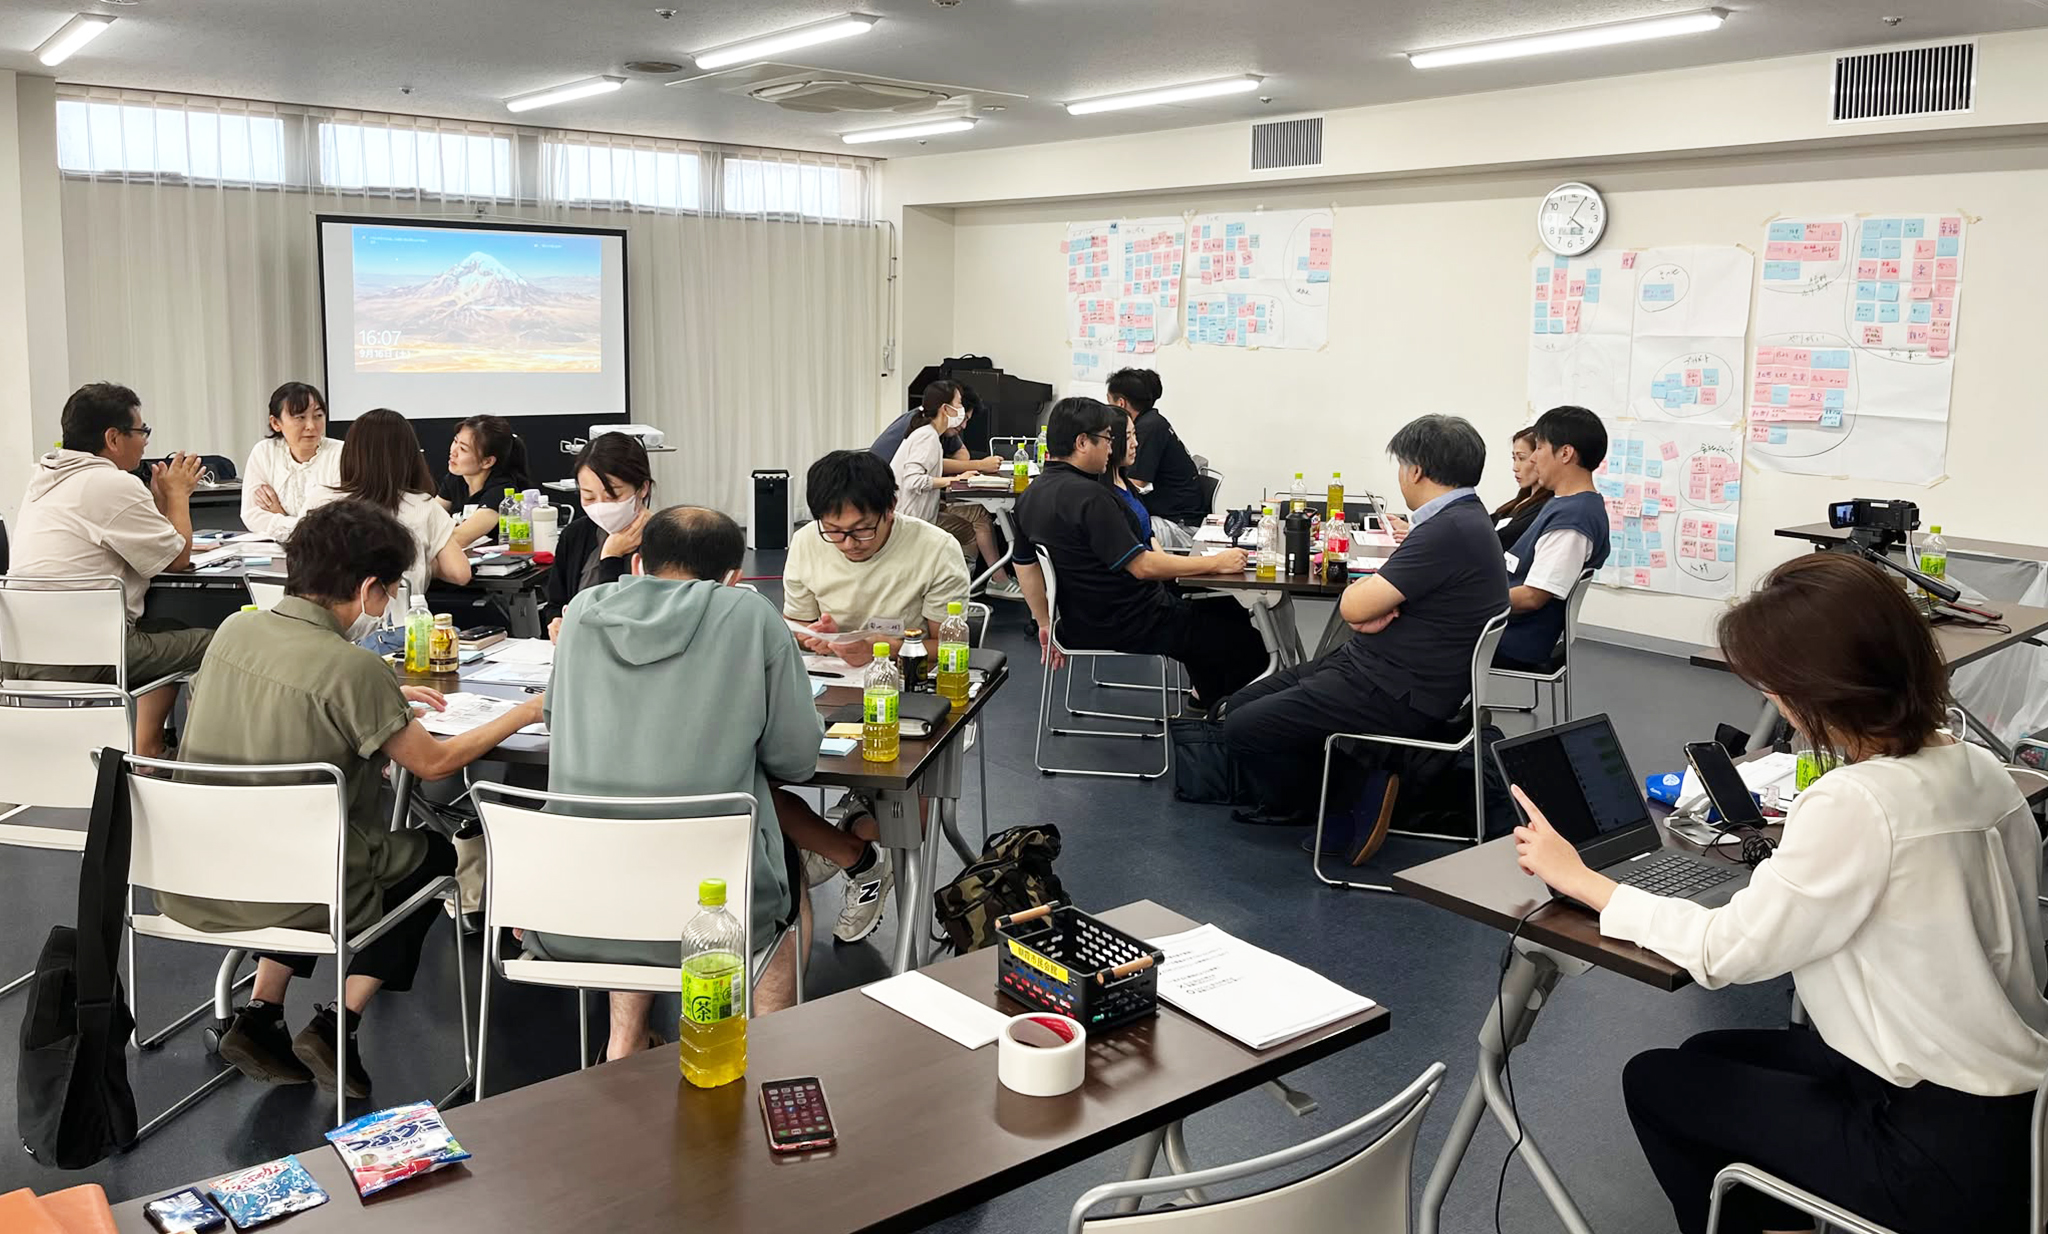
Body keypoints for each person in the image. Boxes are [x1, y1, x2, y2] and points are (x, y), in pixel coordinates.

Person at [1512, 552, 2048, 1234]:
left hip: (1928, 1153)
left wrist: (1583, 881)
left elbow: (1723, 954)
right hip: (2011, 1112)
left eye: (1773, 687)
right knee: (1707, 1058)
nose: (1772, 702)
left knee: (1654, 1080)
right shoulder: (1980, 768)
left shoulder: (1857, 801)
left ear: (1817, 692)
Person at [164, 500, 545, 1097]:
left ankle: (261, 1012)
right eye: (389, 590)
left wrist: (384, 691)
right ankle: (339, 1020)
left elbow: (295, 687)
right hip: (307, 884)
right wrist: (525, 712)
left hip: (202, 872)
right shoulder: (352, 669)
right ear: (369, 588)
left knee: (294, 840)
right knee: (433, 855)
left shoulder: (236, 630)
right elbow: (434, 763)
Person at [536, 506, 826, 1058]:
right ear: (733, 577)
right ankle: (772, 1050)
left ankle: (622, 1043)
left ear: (638, 564)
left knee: (636, 850)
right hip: (714, 902)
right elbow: (795, 759)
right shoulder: (750, 614)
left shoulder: (583, 611)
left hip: (580, 903)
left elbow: (554, 716)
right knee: (787, 880)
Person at [1222, 415, 1508, 838]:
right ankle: (1345, 778)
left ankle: (1343, 797)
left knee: (1242, 728)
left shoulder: (1447, 530)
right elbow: (1367, 608)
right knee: (1240, 704)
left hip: (1394, 688)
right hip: (1386, 668)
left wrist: (1366, 609)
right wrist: (1370, 610)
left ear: (1416, 470)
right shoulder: (1463, 518)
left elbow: (1352, 606)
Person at [782, 449, 972, 942]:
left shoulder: (935, 548)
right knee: (753, 774)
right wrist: (815, 634)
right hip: (828, 686)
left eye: (862, 530)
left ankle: (853, 833)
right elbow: (795, 625)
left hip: (914, 692)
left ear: (891, 508)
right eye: (834, 531)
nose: (848, 544)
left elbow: (948, 641)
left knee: (912, 808)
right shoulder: (807, 543)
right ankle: (855, 852)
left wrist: (882, 648)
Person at [1012, 397, 1264, 710]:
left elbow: (1024, 565)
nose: (1111, 447)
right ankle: (1235, 718)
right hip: (1130, 620)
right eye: (1107, 439)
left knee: (1226, 609)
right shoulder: (1092, 498)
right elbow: (1142, 566)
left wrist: (1045, 622)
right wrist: (1215, 563)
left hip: (1085, 619)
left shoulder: (1030, 494)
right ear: (1082, 443)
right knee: (1247, 643)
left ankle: (1210, 701)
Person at [3, 383, 209, 758]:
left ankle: (147, 748)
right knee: (222, 642)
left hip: (22, 655)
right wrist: (178, 495)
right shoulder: (111, 483)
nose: (145, 442)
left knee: (171, 627)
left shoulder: (44, 477)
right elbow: (177, 559)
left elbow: (136, 542)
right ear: (113, 438)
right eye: (141, 431)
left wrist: (159, 503)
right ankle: (198, 762)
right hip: (86, 656)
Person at [1497, 405, 1610, 671]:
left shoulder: (1574, 519)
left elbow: (1532, 597)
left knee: (1418, 630)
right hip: (1507, 623)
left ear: (1565, 453)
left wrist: (1470, 601)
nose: (1534, 459)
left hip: (1515, 636)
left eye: (1539, 448)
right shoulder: (1565, 503)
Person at [329, 409, 481, 598]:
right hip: (404, 613)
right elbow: (459, 573)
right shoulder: (422, 505)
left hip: (329, 615)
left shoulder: (323, 500)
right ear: (409, 455)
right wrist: (423, 564)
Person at [883, 382, 1013, 593]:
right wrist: (954, 480)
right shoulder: (927, 436)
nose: (961, 412)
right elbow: (914, 481)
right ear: (945, 408)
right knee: (967, 533)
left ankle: (961, 588)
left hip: (915, 512)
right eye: (959, 404)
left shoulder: (929, 434)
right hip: (910, 519)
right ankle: (959, 589)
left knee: (968, 530)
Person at [543, 432, 653, 637]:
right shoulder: (574, 535)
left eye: (613, 495)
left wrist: (611, 556)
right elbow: (556, 603)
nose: (601, 506)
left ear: (642, 488)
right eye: (589, 497)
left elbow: (619, 617)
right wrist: (556, 621)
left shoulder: (666, 539)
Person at [1106, 369, 1205, 536]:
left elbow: (1136, 484)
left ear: (1121, 403)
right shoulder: (1152, 421)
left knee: (1110, 529)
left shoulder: (1148, 428)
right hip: (1171, 515)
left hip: (1178, 524)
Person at [240, 381, 342, 542]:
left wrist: (280, 516)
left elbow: (336, 525)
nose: (311, 426)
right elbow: (252, 515)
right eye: (300, 417)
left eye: (318, 416)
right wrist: (301, 526)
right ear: (275, 423)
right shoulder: (264, 452)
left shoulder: (341, 454)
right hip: (274, 549)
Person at [435, 414, 531, 520]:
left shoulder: (500, 492)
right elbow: (430, 517)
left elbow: (464, 531)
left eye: (463, 449)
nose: (453, 451)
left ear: (487, 462)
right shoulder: (455, 478)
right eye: (455, 441)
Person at [1490, 426, 1553, 552]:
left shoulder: (1545, 508)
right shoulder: (1518, 501)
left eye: (1522, 458)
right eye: (1514, 458)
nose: (1515, 467)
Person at [1100, 412, 1156, 549]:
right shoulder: (1104, 495)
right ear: (1110, 442)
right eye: (1127, 437)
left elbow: (1149, 536)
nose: (1135, 443)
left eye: (1134, 434)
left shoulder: (1125, 482)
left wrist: (1163, 558)